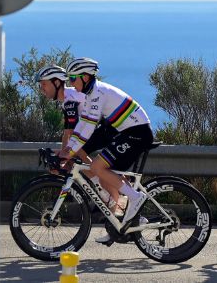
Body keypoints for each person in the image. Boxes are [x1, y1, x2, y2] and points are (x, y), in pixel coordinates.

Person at [60, 57, 155, 243]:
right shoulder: (90, 95)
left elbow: (87, 129)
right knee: (105, 175)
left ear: (85, 77)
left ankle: (136, 198)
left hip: (137, 133)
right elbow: (82, 127)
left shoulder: (98, 94)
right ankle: (121, 224)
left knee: (97, 167)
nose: (71, 83)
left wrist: (69, 152)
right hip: (127, 132)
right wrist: (68, 149)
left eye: (73, 78)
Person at [35, 65, 117, 210]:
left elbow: (73, 134)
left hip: (109, 129)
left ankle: (101, 190)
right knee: (75, 154)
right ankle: (105, 192)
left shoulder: (70, 100)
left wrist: (64, 158)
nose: (42, 89)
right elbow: (67, 133)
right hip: (100, 128)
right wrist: (63, 158)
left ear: (57, 82)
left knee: (77, 152)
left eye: (44, 84)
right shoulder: (67, 98)